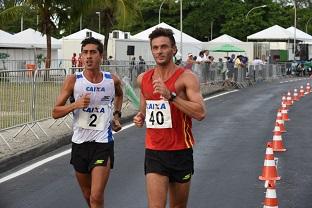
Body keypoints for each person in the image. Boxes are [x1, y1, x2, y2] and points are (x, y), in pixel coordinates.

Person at [133, 27, 206, 208]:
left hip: (181, 151)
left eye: (164, 47)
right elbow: (145, 108)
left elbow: (200, 113)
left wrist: (171, 96)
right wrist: (140, 117)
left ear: (173, 49)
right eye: (155, 47)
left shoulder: (187, 78)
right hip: (155, 151)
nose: (159, 51)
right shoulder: (143, 79)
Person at [52, 37, 123, 208]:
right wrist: (75, 104)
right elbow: (55, 112)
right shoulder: (73, 80)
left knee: (96, 196)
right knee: (88, 195)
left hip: (102, 143)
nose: (89, 56)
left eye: (93, 52)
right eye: (85, 53)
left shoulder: (111, 80)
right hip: (80, 143)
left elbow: (119, 95)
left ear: (101, 56)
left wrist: (116, 116)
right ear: (81, 57)